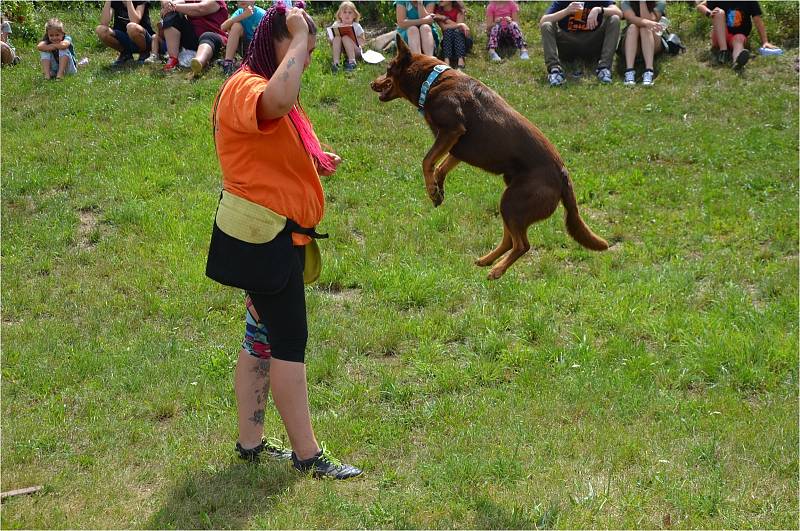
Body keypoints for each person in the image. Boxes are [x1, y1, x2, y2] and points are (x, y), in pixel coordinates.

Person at [207, 2, 361, 479]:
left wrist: (307, 160)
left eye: (312, 50)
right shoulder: (244, 86)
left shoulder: (259, 82)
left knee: (259, 339)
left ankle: (250, 444)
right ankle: (308, 456)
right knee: (289, 341)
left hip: (269, 233)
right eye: (302, 49)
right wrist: (297, 34)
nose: (307, 59)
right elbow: (277, 102)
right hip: (262, 236)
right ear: (277, 41)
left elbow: (271, 138)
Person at [539, 1, 623, 86]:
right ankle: (554, 70)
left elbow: (619, 13)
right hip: (567, 42)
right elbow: (543, 20)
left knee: (614, 19)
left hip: (593, 41)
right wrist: (566, 11)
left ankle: (604, 68)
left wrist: (599, 10)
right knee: (546, 25)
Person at [696, 0, 779, 71]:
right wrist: (709, 13)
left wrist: (765, 42)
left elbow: (757, 20)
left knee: (739, 39)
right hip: (720, 36)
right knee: (719, 12)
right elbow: (700, 6)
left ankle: (737, 62)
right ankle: (723, 51)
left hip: (737, 36)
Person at [159, 0, 228, 75]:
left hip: (213, 37)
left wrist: (172, 6)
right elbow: (176, 3)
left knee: (207, 36)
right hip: (193, 37)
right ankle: (173, 59)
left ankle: (198, 63)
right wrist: (167, 5)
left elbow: (201, 8)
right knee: (172, 14)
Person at [619, 0, 665, 86]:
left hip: (652, 42)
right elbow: (631, 18)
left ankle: (649, 71)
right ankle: (629, 71)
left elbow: (651, 19)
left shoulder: (659, 2)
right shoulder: (626, 2)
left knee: (645, 28)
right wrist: (647, 22)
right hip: (632, 43)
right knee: (633, 26)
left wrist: (642, 2)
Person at [95, 0, 155, 66]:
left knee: (131, 27)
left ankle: (144, 52)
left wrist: (128, 2)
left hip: (143, 38)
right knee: (100, 30)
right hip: (124, 36)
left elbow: (135, 21)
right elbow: (104, 23)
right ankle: (125, 54)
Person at [220, 0, 266, 76]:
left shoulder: (262, 14)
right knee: (236, 26)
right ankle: (228, 62)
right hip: (244, 46)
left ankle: (248, 62)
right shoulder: (239, 12)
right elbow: (223, 27)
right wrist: (242, 16)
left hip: (258, 46)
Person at [326, 1, 365, 73]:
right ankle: (336, 63)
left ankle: (352, 62)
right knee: (337, 37)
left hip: (355, 50)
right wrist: (332, 39)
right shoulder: (336, 24)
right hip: (342, 50)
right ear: (340, 14)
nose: (347, 14)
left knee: (345, 38)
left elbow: (362, 41)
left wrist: (353, 38)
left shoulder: (356, 25)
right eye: (344, 12)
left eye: (350, 12)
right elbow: (331, 40)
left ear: (354, 15)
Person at [435, 0, 469, 69]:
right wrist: (444, 17)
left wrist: (445, 19)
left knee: (456, 31)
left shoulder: (459, 10)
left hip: (462, 42)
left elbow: (459, 29)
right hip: (447, 43)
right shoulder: (438, 12)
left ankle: (461, 59)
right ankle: (447, 60)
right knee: (448, 31)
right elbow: (444, 27)